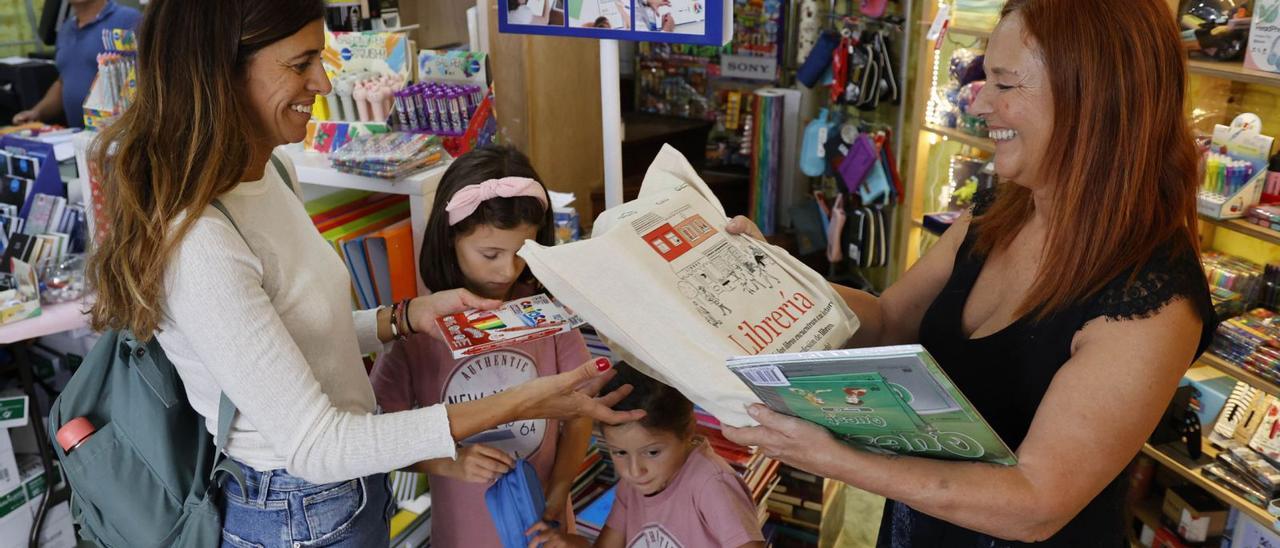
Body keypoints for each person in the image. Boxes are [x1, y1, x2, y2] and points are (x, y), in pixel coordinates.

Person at [84, 2, 642, 547]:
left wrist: (401, 317)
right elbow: (317, 446)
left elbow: (289, 335)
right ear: (218, 72)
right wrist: (522, 403)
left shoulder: (271, 171)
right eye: (300, 64)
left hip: (350, 495)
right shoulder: (201, 242)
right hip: (296, 513)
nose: (325, 83)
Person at [722, 0, 1216, 545]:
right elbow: (888, 322)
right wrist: (774, 274)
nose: (978, 101)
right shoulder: (999, 213)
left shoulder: (1153, 295)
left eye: (1005, 85)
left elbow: (1036, 503)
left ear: (1095, 101)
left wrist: (838, 459)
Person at [369, 146, 595, 547]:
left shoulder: (546, 314)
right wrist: (448, 462)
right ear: (450, 238)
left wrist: (559, 492)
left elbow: (579, 416)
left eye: (522, 253)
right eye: (490, 254)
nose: (507, 270)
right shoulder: (421, 329)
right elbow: (380, 436)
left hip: (545, 522)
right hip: (463, 531)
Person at [526, 363, 766, 548]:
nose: (634, 470)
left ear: (688, 431)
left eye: (652, 452)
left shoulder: (711, 485)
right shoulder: (632, 486)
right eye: (619, 452)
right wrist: (568, 543)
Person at [12, 0, 141, 127]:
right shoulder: (66, 29)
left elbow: (148, 75)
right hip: (79, 139)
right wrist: (37, 112)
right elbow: (63, 82)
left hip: (120, 136)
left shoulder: (129, 19)